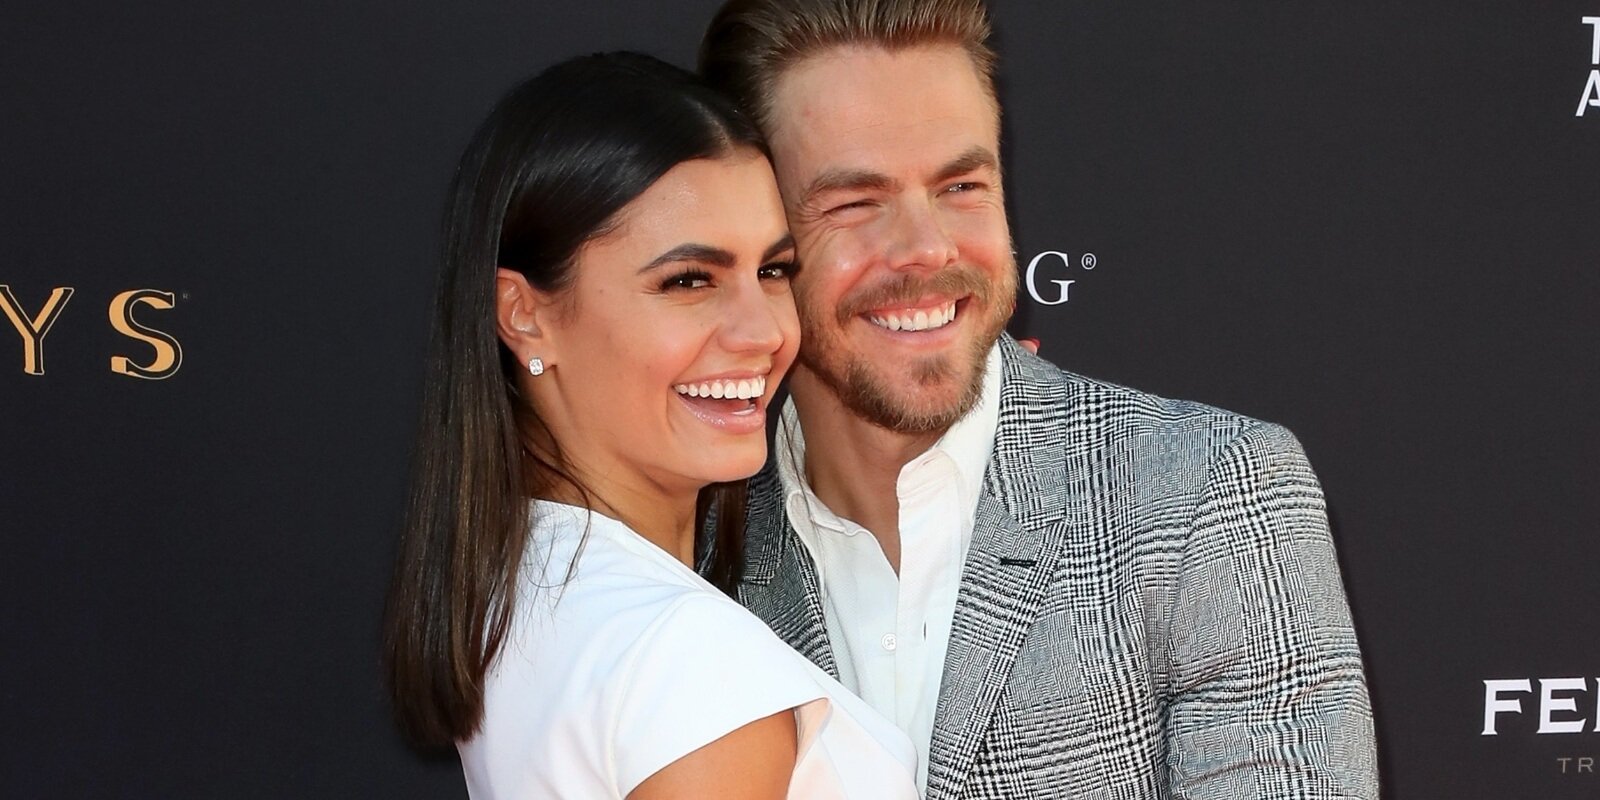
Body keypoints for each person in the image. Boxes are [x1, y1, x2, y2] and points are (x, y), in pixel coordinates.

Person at [699, 1, 1380, 798]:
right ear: (752, 232)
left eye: (961, 185)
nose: (926, 246)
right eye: (855, 202)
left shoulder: (1209, 497)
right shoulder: (692, 540)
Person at [380, 52, 918, 799]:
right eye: (688, 281)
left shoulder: (524, 591)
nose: (763, 331)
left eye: (773, 270)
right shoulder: (687, 663)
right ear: (524, 315)